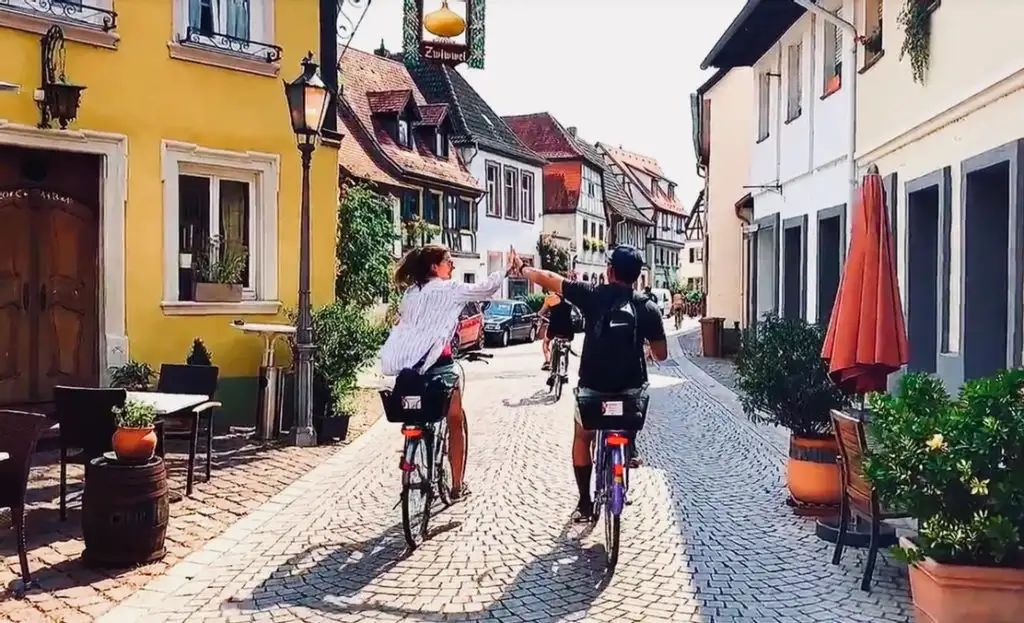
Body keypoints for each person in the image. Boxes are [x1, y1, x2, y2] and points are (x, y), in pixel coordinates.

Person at [511, 244, 668, 521]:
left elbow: (549, 278)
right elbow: (661, 354)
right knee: (629, 414)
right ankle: (628, 448)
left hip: (593, 389)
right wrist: (645, 348)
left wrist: (523, 268)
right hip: (629, 391)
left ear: (609, 271)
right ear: (637, 276)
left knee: (582, 437)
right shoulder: (647, 307)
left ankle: (585, 503)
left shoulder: (592, 295)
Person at [381, 244, 518, 500]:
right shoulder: (449, 290)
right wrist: (507, 269)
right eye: (449, 262)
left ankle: (416, 456)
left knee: (420, 415)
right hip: (439, 366)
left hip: (408, 370)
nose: (453, 266)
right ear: (436, 267)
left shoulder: (409, 294)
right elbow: (485, 289)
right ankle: (457, 486)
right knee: (456, 421)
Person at [539, 289, 574, 372]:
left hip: (554, 328)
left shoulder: (549, 298)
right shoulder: (571, 298)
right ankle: (564, 369)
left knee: (546, 342)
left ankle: (547, 361)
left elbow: (541, 312)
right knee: (566, 346)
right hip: (568, 329)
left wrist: (539, 315)